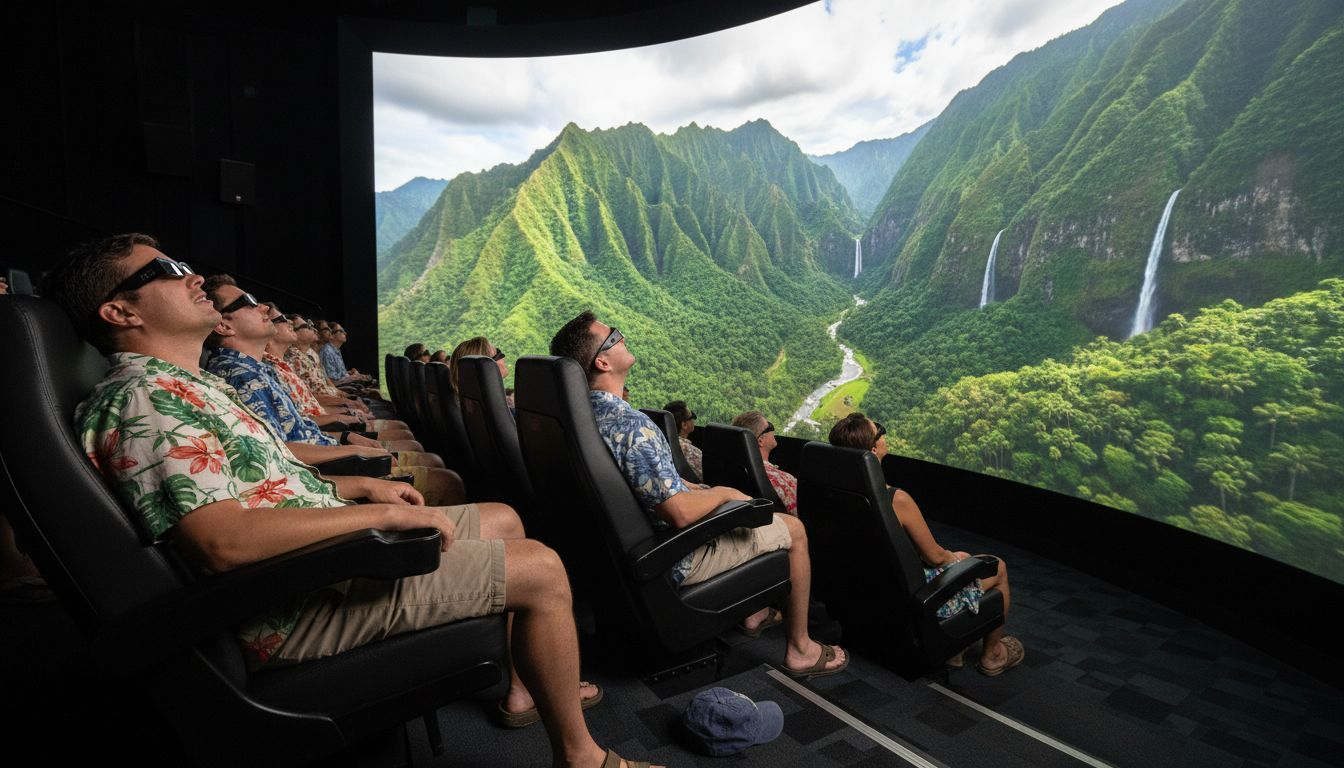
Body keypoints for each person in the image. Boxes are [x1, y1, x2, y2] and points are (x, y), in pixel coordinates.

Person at [42, 234, 653, 768]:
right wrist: (382, 515)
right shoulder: (144, 400)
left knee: (503, 517)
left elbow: (264, 481)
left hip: (322, 550)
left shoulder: (185, 386)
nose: (193, 276)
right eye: (168, 271)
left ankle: (528, 680)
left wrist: (354, 487)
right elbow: (221, 541)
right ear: (119, 310)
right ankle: (582, 756)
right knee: (541, 569)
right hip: (289, 599)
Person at [550, 310, 846, 678]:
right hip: (673, 558)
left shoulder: (584, 419)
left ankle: (754, 610)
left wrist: (691, 487)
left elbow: (650, 484)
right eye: (615, 336)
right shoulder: (632, 426)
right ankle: (801, 647)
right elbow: (679, 513)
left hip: (621, 559)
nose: (623, 336)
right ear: (603, 361)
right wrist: (721, 493)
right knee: (794, 531)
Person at [828, 412, 1024, 676]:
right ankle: (992, 656)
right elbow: (935, 557)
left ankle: (953, 651)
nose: (884, 435)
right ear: (873, 449)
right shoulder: (895, 499)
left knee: (964, 557)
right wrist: (954, 557)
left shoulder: (832, 491)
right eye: (880, 431)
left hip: (868, 591)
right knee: (995, 567)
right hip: (911, 598)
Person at [731, 411, 797, 515]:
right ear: (760, 441)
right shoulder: (779, 480)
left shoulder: (731, 470)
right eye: (769, 426)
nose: (773, 430)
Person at [449, 336, 513, 409]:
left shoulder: (471, 408)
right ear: (486, 366)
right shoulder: (496, 409)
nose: (503, 358)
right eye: (499, 353)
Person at [663, 400, 703, 483]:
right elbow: (706, 476)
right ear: (684, 425)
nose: (693, 419)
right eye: (692, 416)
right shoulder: (689, 450)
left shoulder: (661, 441)